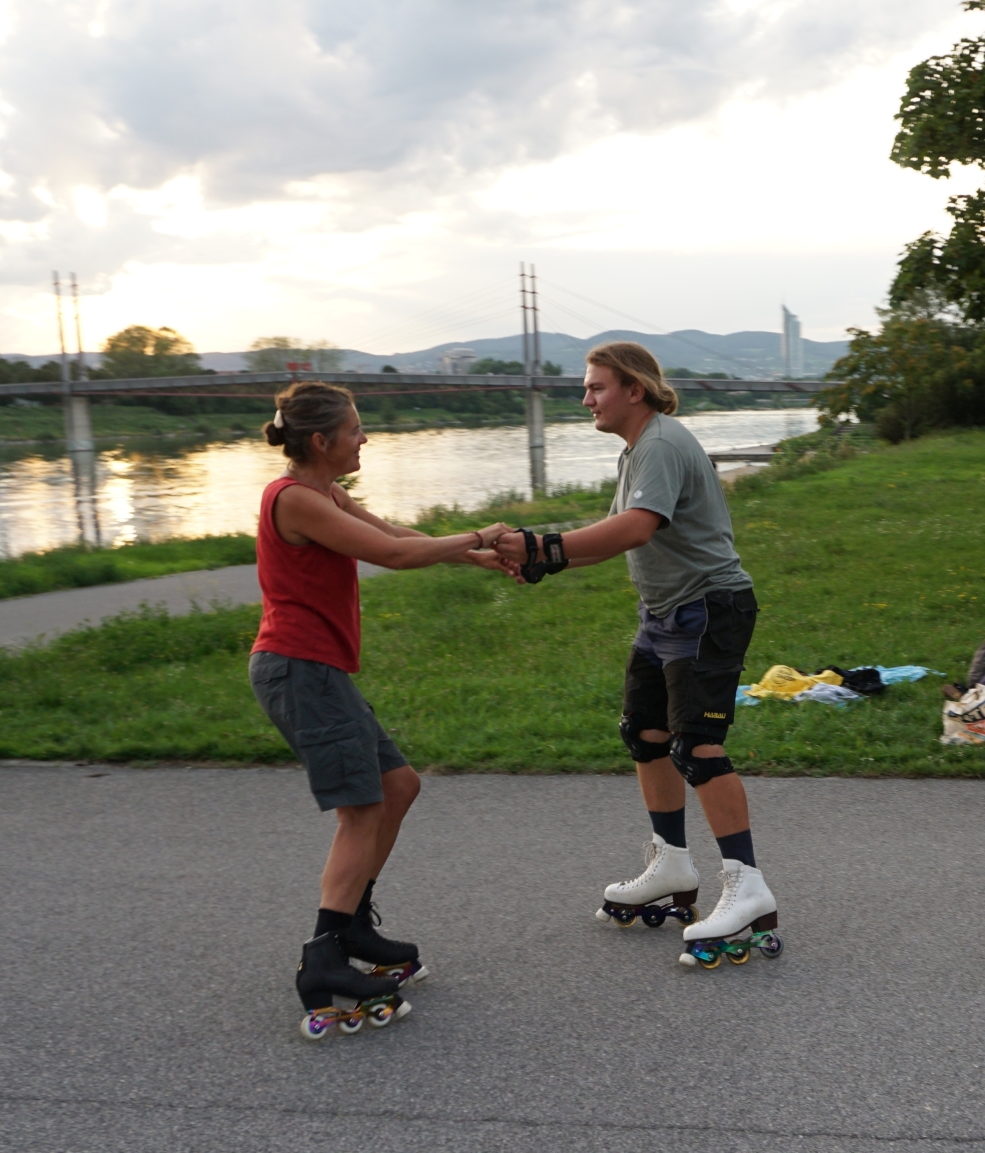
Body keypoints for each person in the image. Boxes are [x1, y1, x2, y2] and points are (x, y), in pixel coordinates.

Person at [496, 343, 782, 970]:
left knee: (697, 747)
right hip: (664, 615)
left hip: (708, 610)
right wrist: (538, 560)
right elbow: (610, 540)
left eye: (596, 387)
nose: (586, 398)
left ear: (635, 389)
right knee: (645, 734)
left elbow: (636, 527)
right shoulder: (636, 450)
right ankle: (672, 863)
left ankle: (747, 885)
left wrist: (543, 543)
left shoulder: (661, 443)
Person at [248, 381, 514, 1037]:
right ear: (321, 441)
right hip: (299, 669)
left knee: (398, 786)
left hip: (317, 671)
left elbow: (394, 533)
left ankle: (352, 925)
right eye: (355, 429)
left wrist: (475, 557)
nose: (364, 437)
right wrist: (479, 530)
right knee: (362, 809)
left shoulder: (324, 493)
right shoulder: (292, 499)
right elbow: (392, 556)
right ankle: (323, 959)